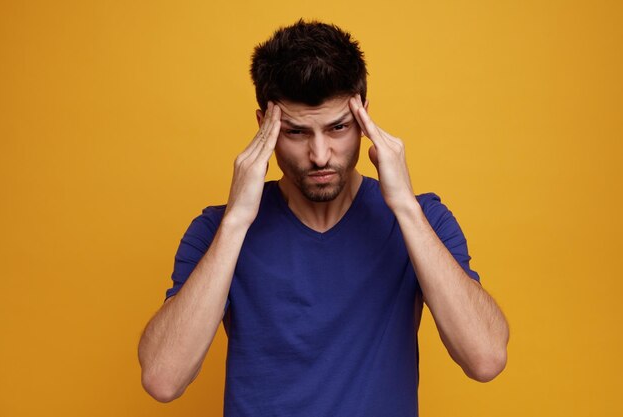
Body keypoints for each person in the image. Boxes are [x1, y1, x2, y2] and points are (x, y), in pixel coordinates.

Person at [138, 19, 509, 416]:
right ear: (265, 125)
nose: (320, 154)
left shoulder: (421, 220)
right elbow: (163, 378)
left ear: (364, 118)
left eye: (338, 128)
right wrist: (236, 222)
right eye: (297, 133)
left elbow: (485, 359)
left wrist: (403, 205)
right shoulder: (216, 229)